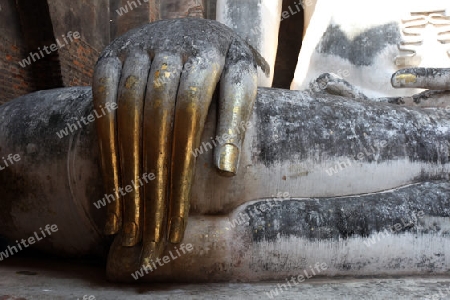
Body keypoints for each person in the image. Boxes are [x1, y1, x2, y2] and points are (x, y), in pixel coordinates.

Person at [1, 17, 450, 282]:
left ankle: (239, 244)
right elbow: (253, 37)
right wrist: (200, 36)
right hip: (315, 110)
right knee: (188, 137)